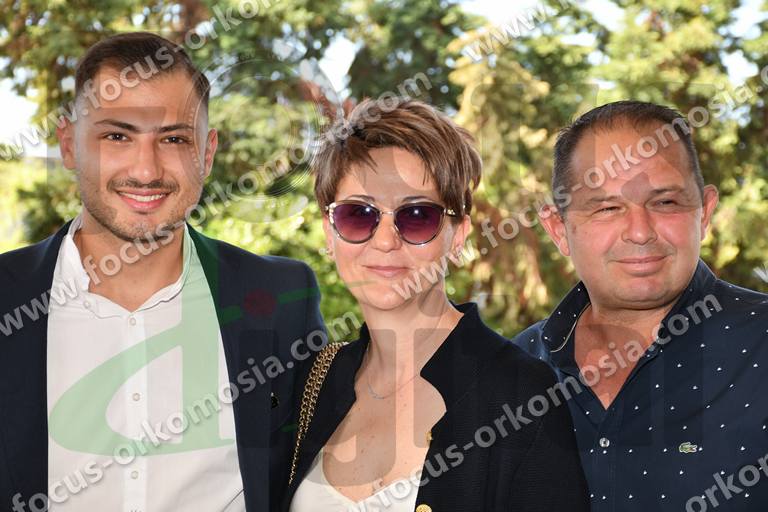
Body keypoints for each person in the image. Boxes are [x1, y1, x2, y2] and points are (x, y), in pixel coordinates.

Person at [0, 32, 323, 512]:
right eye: (117, 136)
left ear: (207, 153)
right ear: (68, 145)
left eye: (174, 139)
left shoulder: (280, 300)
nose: (147, 170)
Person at [283, 98, 590, 511]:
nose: (385, 241)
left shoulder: (522, 394)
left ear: (458, 235)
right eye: (358, 214)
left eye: (416, 216)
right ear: (329, 231)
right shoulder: (312, 382)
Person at [513, 100, 768, 511]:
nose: (639, 231)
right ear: (559, 229)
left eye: (665, 202)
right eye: (607, 208)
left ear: (704, 212)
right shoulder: (512, 369)